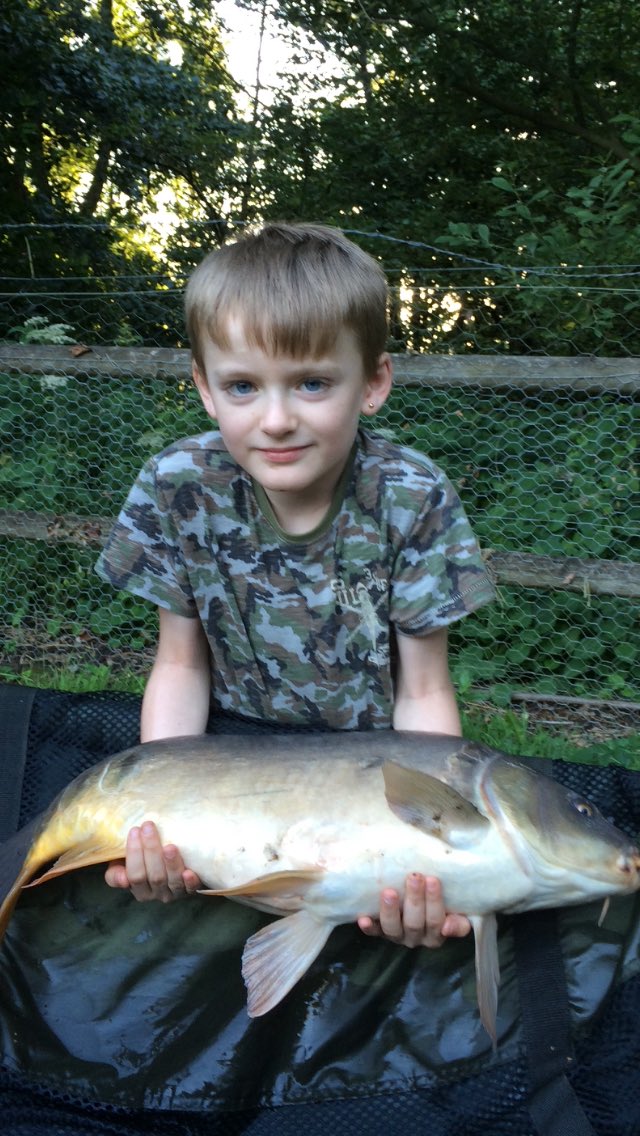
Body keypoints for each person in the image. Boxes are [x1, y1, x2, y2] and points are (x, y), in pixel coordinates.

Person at [95, 222, 495, 949]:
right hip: (229, 751)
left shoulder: (412, 495)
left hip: (366, 764)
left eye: (312, 383)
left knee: (413, 914)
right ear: (204, 388)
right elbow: (180, 665)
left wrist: (435, 843)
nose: (277, 420)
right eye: (243, 386)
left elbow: (426, 689)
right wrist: (155, 818)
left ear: (372, 383)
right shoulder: (176, 485)